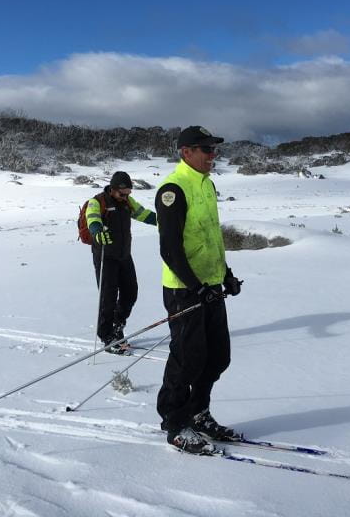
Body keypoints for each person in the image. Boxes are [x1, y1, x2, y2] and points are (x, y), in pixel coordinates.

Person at [155, 125, 243, 454]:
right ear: (186, 152)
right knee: (187, 360)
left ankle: (198, 412)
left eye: (213, 149)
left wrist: (226, 274)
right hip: (184, 290)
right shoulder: (173, 189)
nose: (212, 155)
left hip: (211, 286)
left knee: (218, 357)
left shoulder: (207, 185)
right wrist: (195, 286)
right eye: (205, 149)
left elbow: (210, 238)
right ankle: (175, 423)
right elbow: (170, 250)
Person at [87, 171, 156, 354]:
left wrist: (164, 220)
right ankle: (106, 335)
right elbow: (92, 218)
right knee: (107, 297)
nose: (126, 196)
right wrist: (97, 231)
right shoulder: (98, 201)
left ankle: (117, 326)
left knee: (130, 293)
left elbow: (143, 214)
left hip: (124, 255)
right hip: (105, 255)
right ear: (113, 189)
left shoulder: (127, 203)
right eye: (122, 193)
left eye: (128, 193)